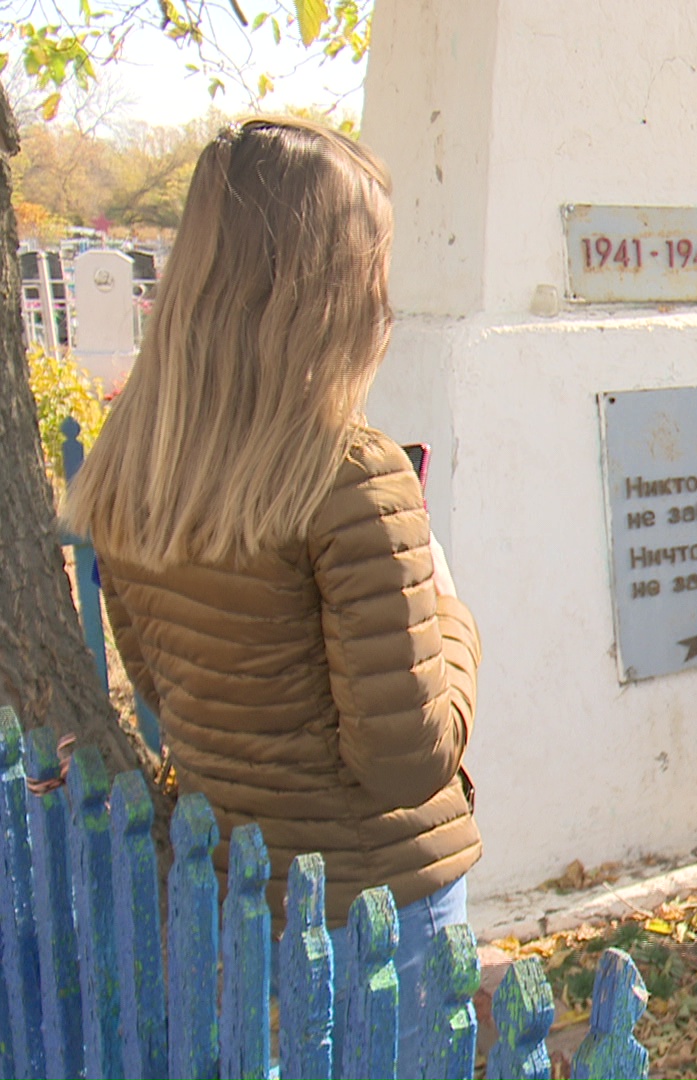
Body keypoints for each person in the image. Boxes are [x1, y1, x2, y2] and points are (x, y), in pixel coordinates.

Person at [64, 118, 481, 1069]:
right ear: (329, 286)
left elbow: (170, 702)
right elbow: (406, 756)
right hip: (380, 907)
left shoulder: (134, 468)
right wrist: (452, 620)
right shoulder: (350, 476)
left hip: (239, 896)